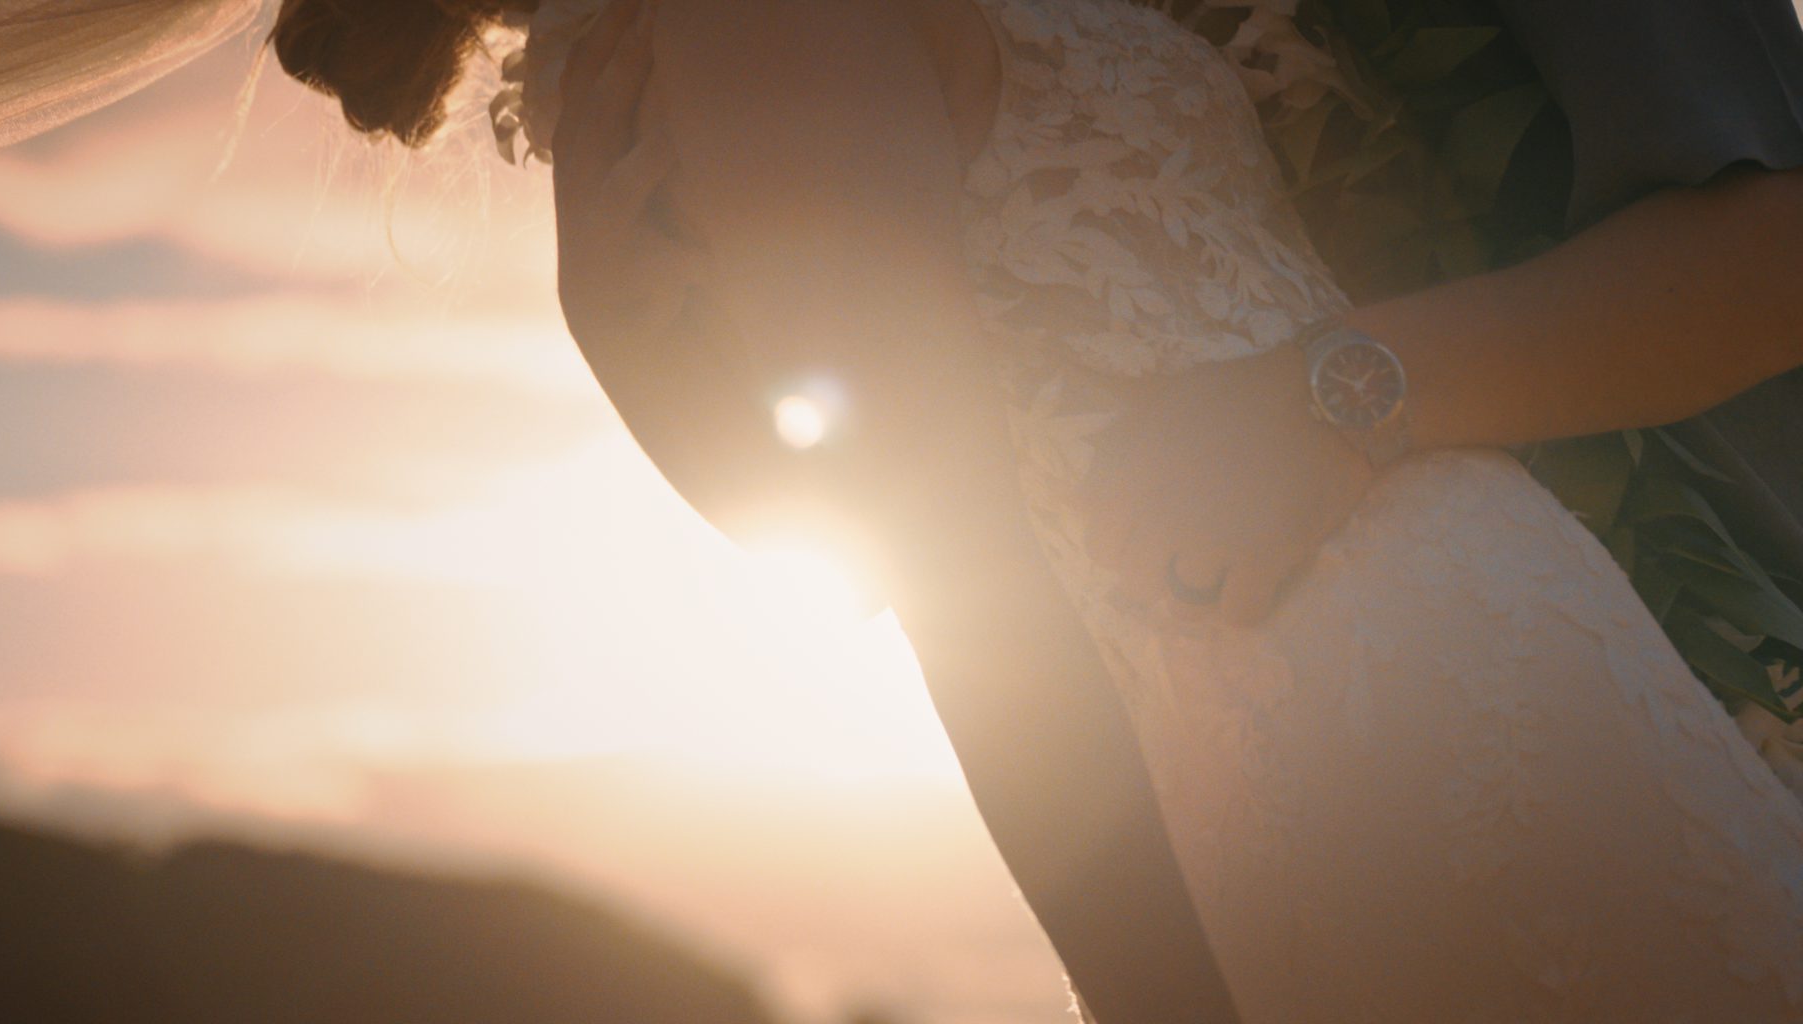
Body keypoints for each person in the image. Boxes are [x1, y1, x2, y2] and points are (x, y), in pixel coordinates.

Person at [418, 1, 1803, 1020]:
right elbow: (945, 550)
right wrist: (663, 378)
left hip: (1562, 662)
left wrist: (1326, 397)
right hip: (1360, 733)